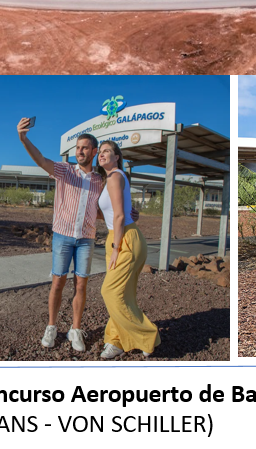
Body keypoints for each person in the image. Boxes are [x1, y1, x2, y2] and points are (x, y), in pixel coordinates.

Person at [18, 119, 102, 353]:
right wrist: (24, 139)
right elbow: (41, 159)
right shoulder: (65, 171)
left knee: (81, 285)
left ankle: (75, 330)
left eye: (85, 148)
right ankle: (52, 327)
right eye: (77, 148)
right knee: (57, 283)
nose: (80, 151)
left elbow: (101, 211)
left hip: (86, 239)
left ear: (94, 152)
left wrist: (125, 215)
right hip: (63, 237)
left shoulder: (99, 180)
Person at [95, 140, 160, 358]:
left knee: (110, 291)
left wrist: (116, 247)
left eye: (107, 151)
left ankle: (147, 335)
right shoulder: (110, 179)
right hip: (117, 235)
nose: (102, 154)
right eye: (100, 152)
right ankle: (116, 340)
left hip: (124, 239)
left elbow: (121, 216)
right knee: (123, 294)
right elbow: (114, 213)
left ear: (117, 157)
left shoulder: (115, 176)